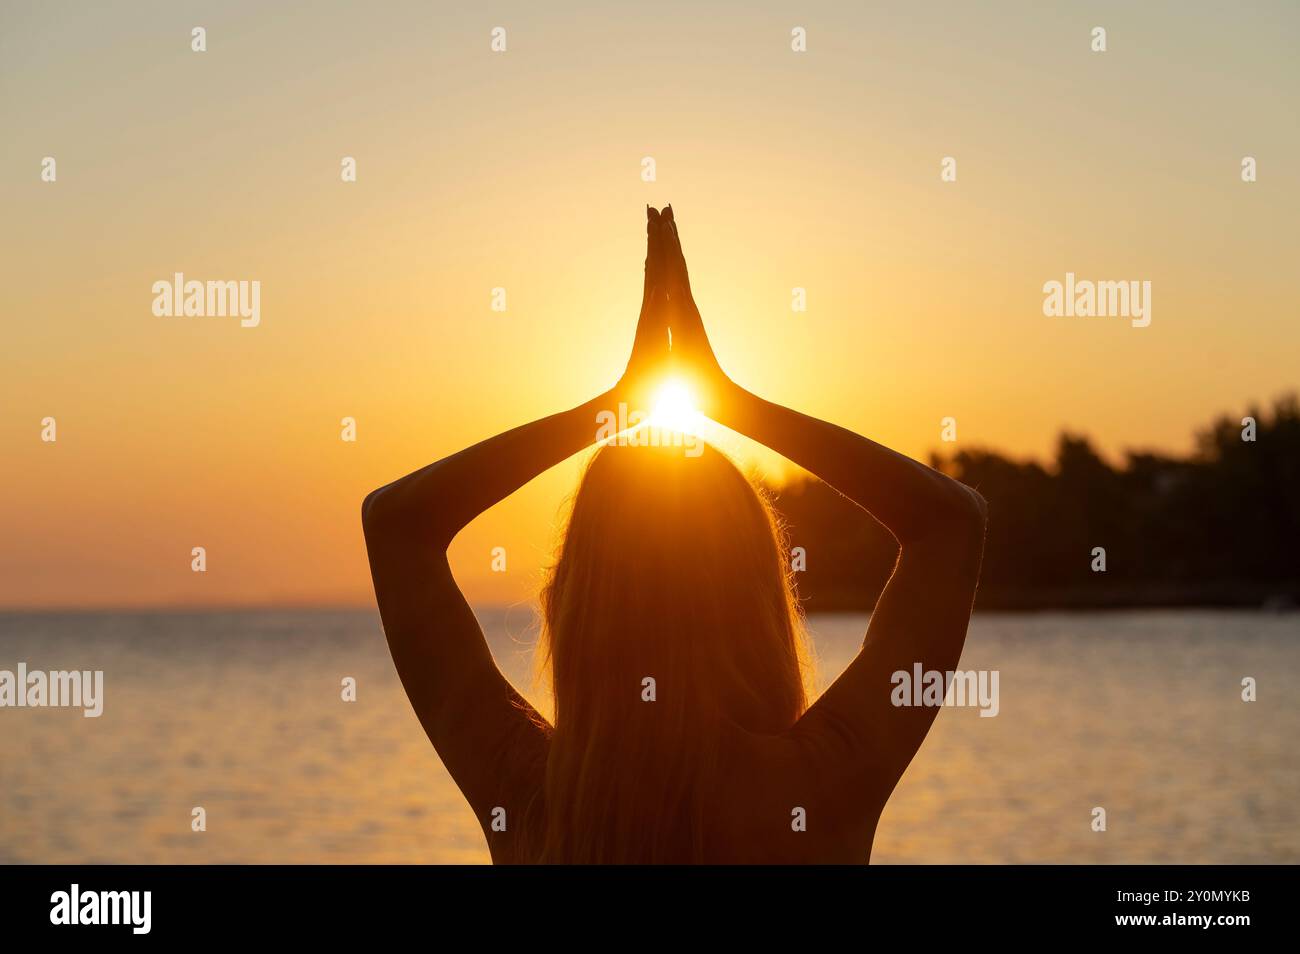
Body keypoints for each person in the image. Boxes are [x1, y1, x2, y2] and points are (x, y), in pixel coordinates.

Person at [361, 206, 987, 863]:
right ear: (761, 601)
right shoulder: (823, 786)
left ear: (569, 603)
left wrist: (607, 411)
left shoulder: (530, 797)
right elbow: (950, 522)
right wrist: (732, 402)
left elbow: (397, 524)